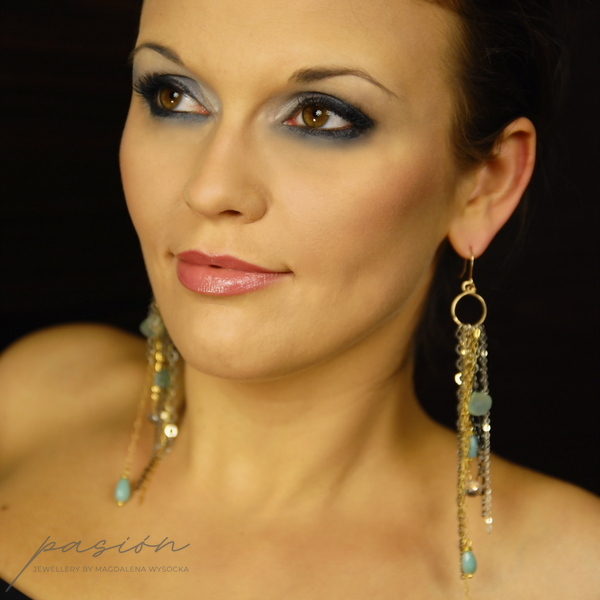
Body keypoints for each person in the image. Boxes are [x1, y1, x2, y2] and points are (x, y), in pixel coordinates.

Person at [0, 0, 598, 599]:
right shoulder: (36, 395)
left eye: (318, 116)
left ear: (486, 185)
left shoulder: (570, 572)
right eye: (173, 96)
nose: (209, 188)